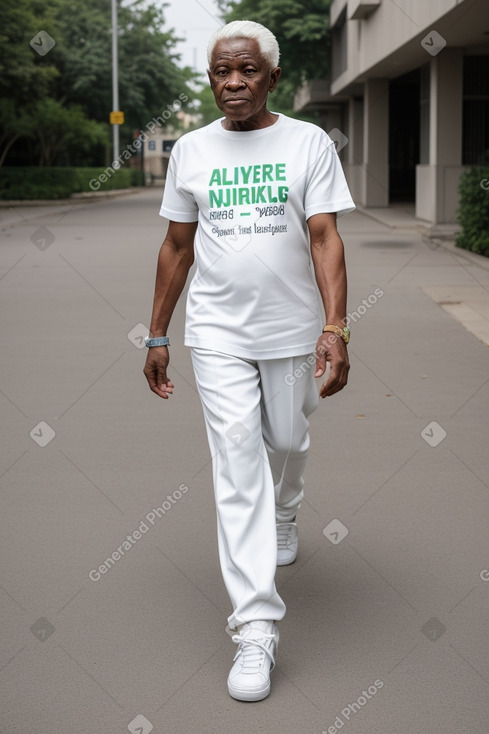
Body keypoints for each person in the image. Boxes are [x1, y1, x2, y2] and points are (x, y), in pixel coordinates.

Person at [143, 19, 355, 702]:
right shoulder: (193, 151)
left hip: (291, 332)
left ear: (269, 75)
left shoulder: (306, 142)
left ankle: (286, 510)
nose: (231, 84)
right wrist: (156, 335)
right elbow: (177, 246)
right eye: (219, 72)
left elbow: (324, 237)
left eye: (245, 71)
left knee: (288, 438)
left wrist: (335, 326)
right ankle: (255, 628)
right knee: (238, 468)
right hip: (217, 336)